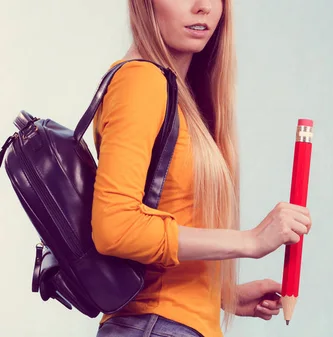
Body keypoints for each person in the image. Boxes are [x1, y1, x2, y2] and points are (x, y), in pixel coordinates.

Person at [91, 1, 312, 336]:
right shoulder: (141, 81)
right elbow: (116, 228)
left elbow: (170, 215)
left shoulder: (176, 93)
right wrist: (249, 241)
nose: (203, 7)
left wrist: (221, 295)